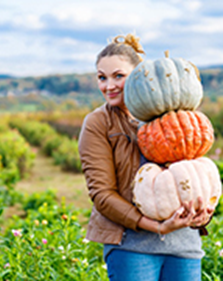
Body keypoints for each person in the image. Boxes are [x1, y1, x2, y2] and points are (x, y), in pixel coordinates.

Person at [78, 33, 214, 281]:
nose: (109, 86)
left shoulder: (177, 116)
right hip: (132, 247)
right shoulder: (98, 123)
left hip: (184, 245)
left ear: (140, 75)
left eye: (119, 76)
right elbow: (102, 194)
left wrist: (203, 212)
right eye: (102, 77)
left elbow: (198, 177)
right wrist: (157, 227)